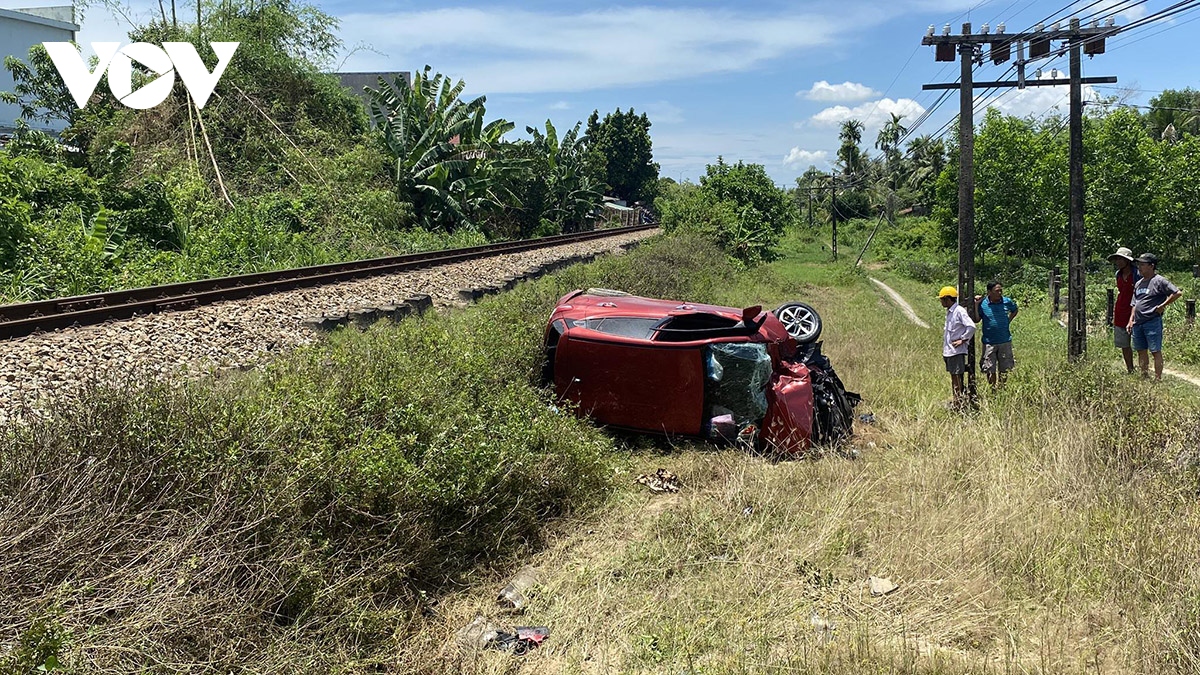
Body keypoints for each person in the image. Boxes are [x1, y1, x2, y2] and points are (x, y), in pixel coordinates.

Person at [1127, 253, 1183, 381]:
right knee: (1141, 350)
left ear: (1151, 266)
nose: (1139, 267)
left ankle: (1158, 379)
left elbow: (1177, 293)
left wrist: (1162, 305)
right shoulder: (1138, 283)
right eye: (1139, 264)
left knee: (1155, 351)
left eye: (1142, 264)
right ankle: (1144, 375)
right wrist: (1131, 320)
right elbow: (1134, 303)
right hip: (1138, 322)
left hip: (1152, 321)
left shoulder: (1159, 281)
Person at [974, 280, 1018, 387]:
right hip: (989, 342)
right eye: (997, 291)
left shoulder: (1006, 301)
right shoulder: (983, 304)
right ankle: (993, 390)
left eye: (1000, 291)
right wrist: (976, 305)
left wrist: (1008, 320)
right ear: (989, 292)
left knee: (1004, 368)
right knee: (989, 368)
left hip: (1004, 341)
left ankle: (1002, 388)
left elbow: (1015, 309)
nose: (999, 293)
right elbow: (976, 319)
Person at [940, 286, 976, 408]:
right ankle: (957, 400)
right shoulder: (950, 312)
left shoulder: (959, 311)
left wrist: (963, 340)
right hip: (949, 351)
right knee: (954, 377)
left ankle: (958, 403)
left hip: (955, 351)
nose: (941, 302)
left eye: (942, 299)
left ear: (947, 299)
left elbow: (971, 326)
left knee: (956, 378)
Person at [1108, 246, 1139, 374]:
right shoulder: (1118, 275)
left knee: (1140, 342)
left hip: (1136, 310)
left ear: (1128, 261)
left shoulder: (1137, 274)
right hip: (1121, 309)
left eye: (1121, 259)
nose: (1118, 262)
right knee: (1124, 343)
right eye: (1117, 259)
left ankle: (1144, 369)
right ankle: (1130, 369)